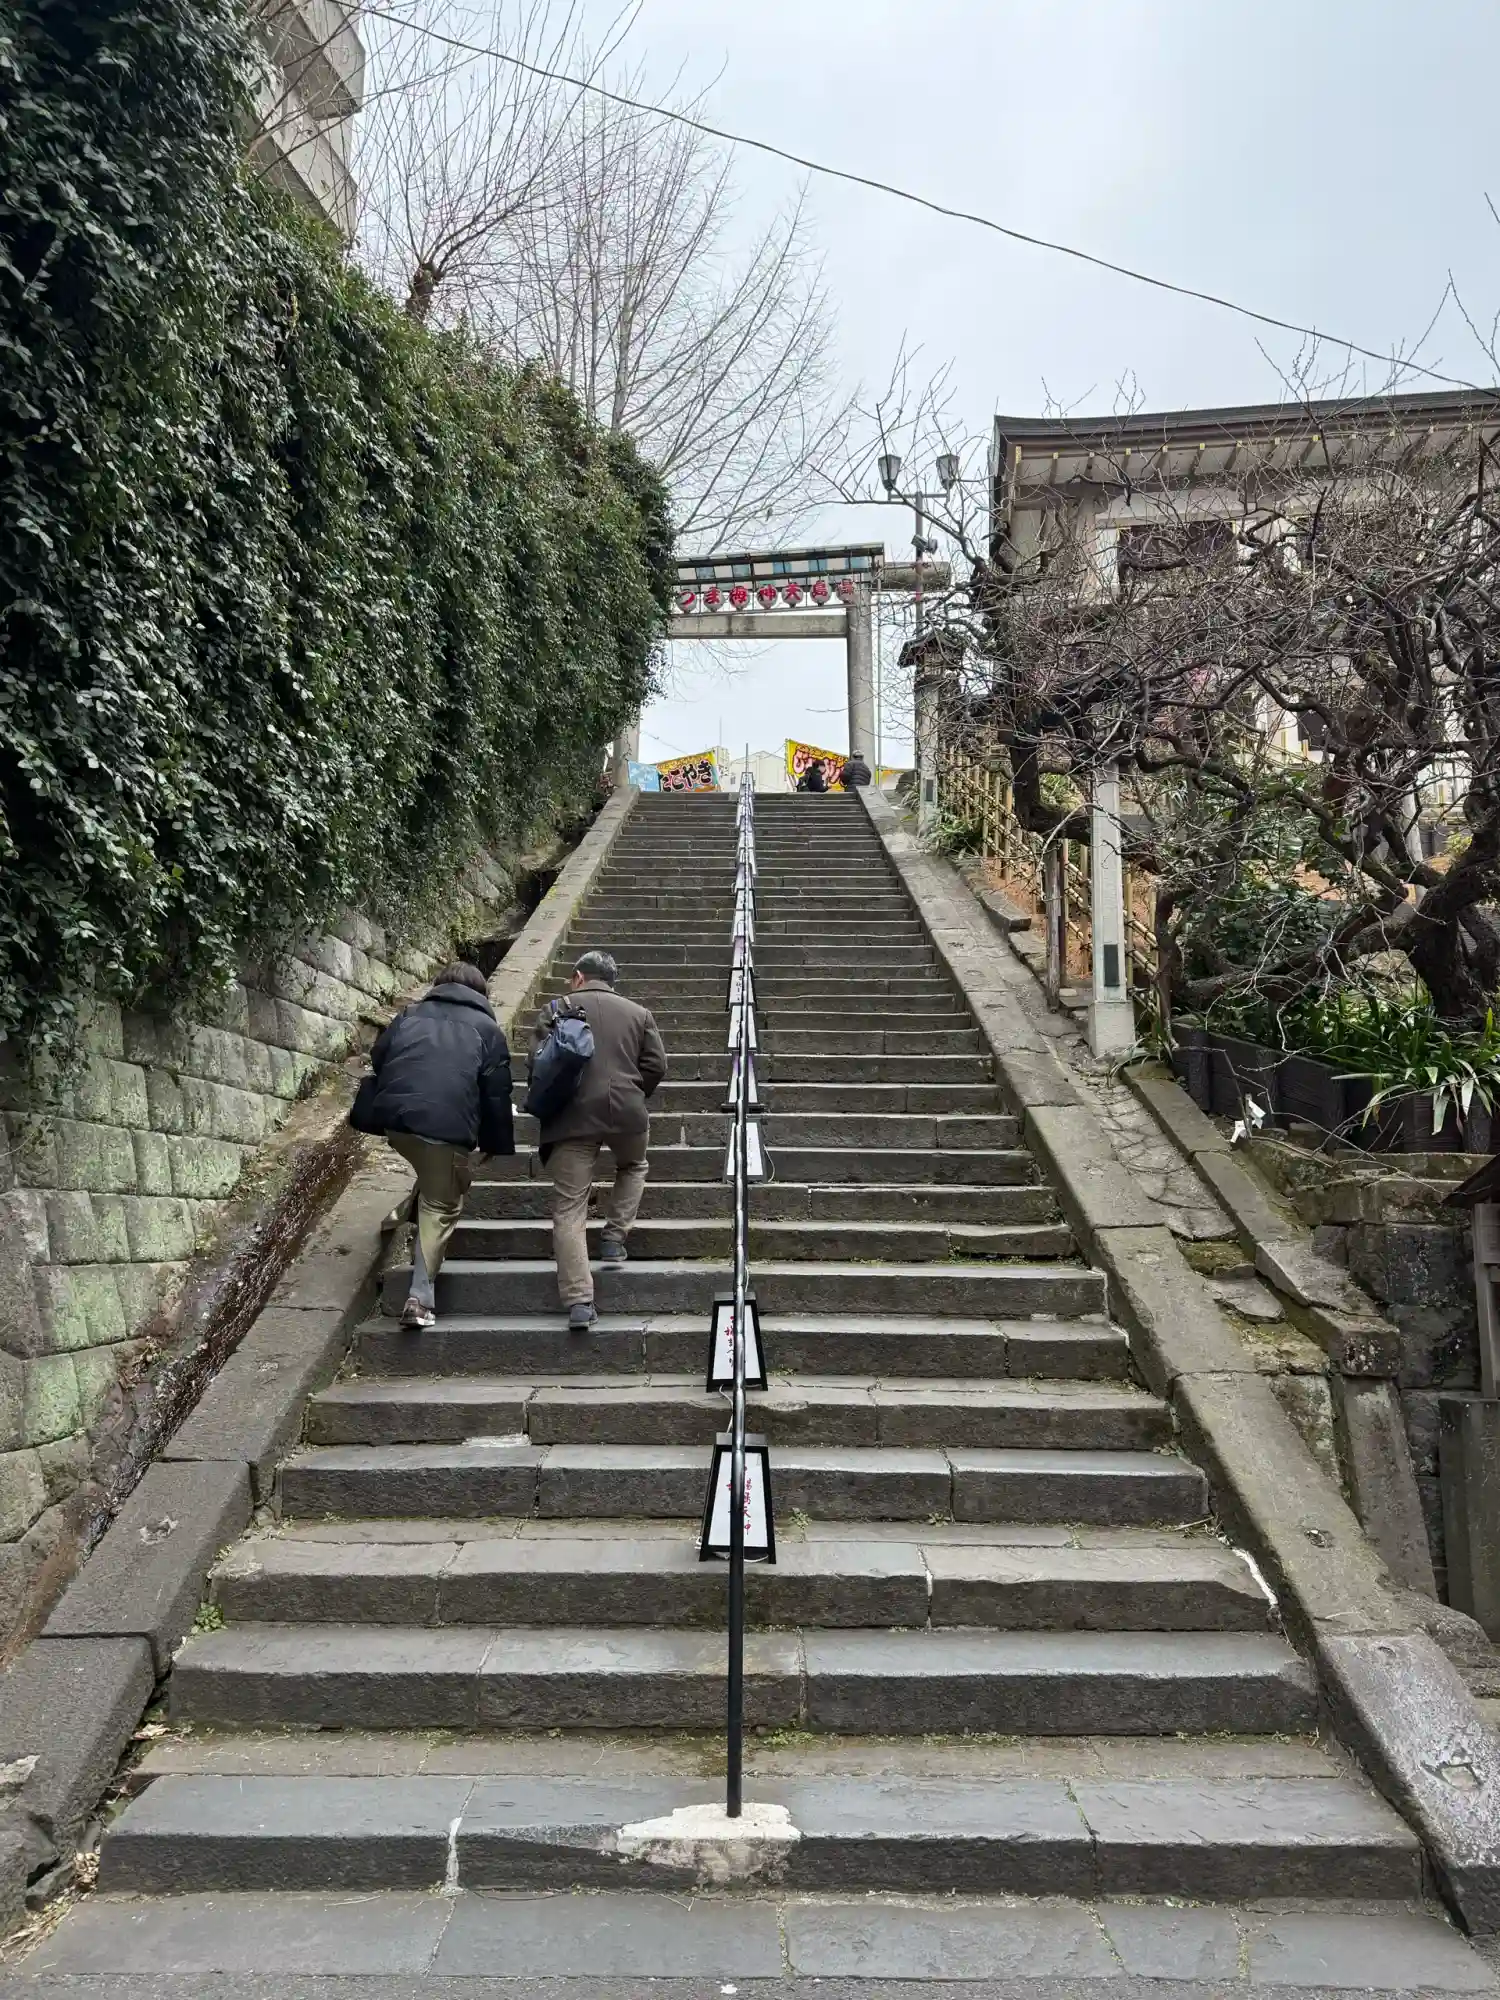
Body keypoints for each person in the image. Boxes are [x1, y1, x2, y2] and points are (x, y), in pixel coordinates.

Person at [364, 962, 515, 1329]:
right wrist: (494, 1143)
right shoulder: (488, 1030)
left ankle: (400, 1215)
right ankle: (419, 1299)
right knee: (443, 1203)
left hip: (396, 1122)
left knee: (435, 1170)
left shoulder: (408, 1015)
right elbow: (496, 1095)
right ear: (481, 993)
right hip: (444, 1129)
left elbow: (378, 1056)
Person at [531, 949, 667, 1331]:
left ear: (578, 976)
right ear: (611, 980)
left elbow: (536, 1062)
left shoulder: (556, 1008)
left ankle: (579, 1301)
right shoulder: (639, 1014)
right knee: (634, 1164)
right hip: (626, 1112)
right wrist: (634, 1092)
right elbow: (657, 1065)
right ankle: (613, 1237)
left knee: (569, 1207)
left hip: (572, 1118)